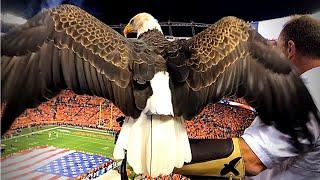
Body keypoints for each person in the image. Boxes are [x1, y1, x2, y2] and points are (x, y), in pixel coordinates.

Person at [174, 15, 320, 179]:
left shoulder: (308, 95)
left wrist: (160, 153)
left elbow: (249, 160)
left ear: (290, 49)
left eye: (277, 48)